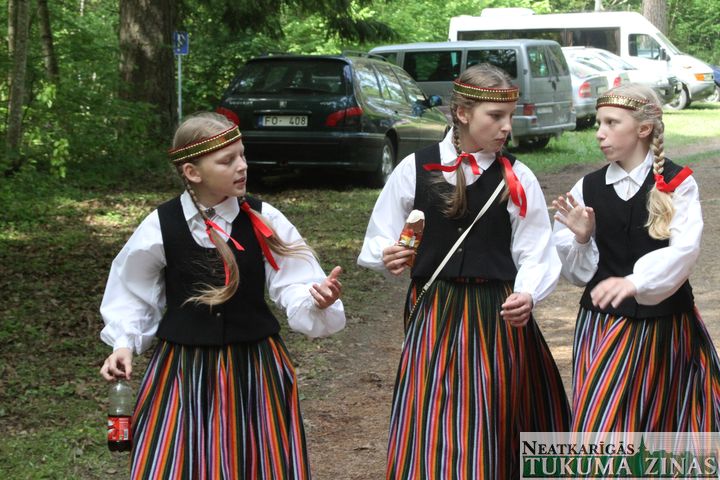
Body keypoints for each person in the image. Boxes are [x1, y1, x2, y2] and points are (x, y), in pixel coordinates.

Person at [99, 112, 345, 479]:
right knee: (175, 463)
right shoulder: (161, 225)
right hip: (183, 371)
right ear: (192, 172)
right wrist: (124, 343)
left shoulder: (264, 217)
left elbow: (294, 281)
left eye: (242, 155)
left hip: (255, 369)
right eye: (227, 160)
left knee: (258, 462)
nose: (242, 166)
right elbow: (132, 291)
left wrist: (315, 298)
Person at [358, 63, 570, 479]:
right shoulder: (415, 168)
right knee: (431, 408)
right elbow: (379, 234)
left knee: (491, 407)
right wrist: (387, 254)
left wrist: (527, 292)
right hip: (434, 308)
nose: (506, 127)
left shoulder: (517, 176)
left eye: (510, 117)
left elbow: (536, 249)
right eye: (496, 116)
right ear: (462, 113)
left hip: (495, 310)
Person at [552, 83, 720, 432]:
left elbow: (684, 250)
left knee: (661, 423)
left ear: (643, 129)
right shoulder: (587, 187)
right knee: (600, 426)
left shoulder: (678, 183)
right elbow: (577, 273)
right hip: (601, 325)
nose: (600, 133)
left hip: (663, 326)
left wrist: (635, 282)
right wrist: (582, 238)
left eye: (612, 123)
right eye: (599, 123)